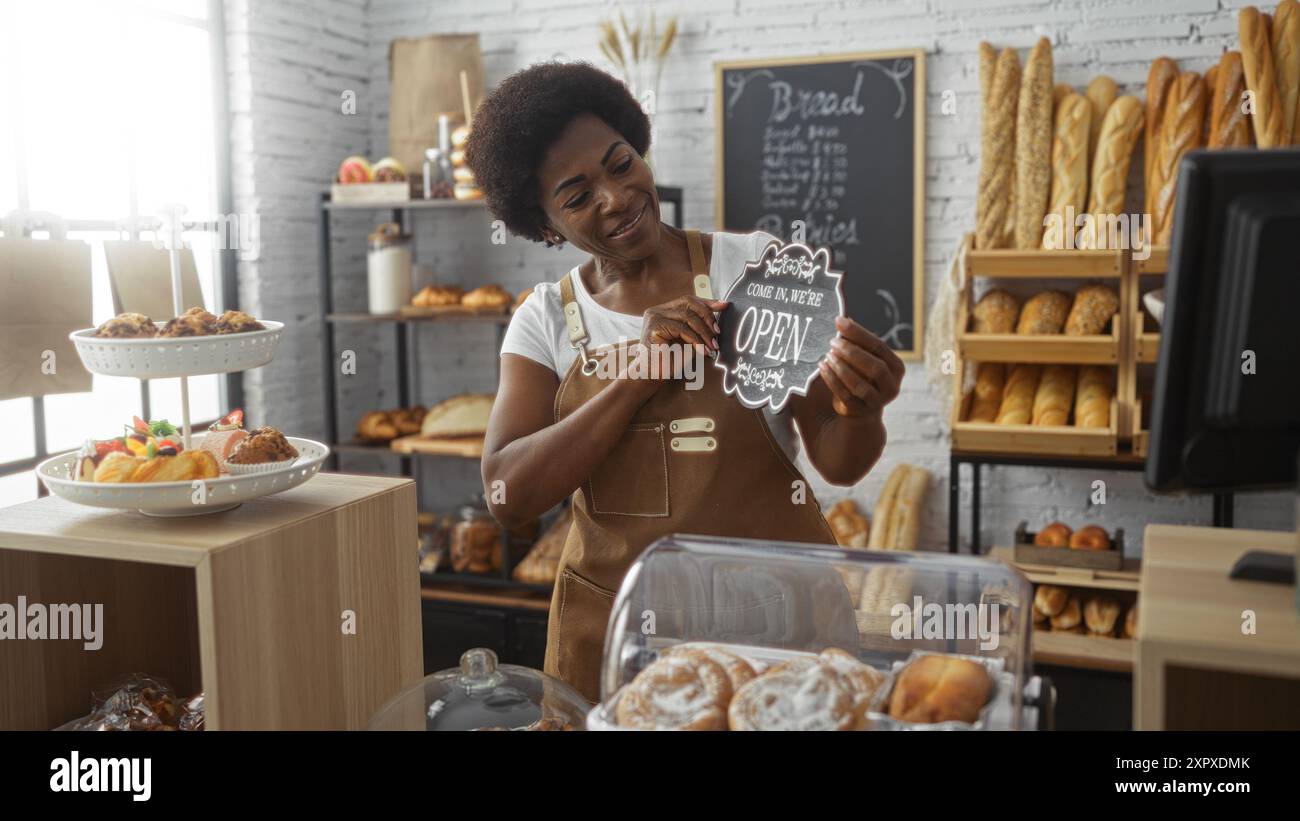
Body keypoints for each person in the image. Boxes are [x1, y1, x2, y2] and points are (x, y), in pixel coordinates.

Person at [466, 61, 903, 702]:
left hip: (777, 624)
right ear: (543, 221)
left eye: (620, 165)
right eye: (577, 195)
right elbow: (508, 495)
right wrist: (638, 377)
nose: (615, 198)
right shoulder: (543, 322)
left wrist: (863, 409)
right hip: (623, 638)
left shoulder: (751, 267)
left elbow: (838, 460)